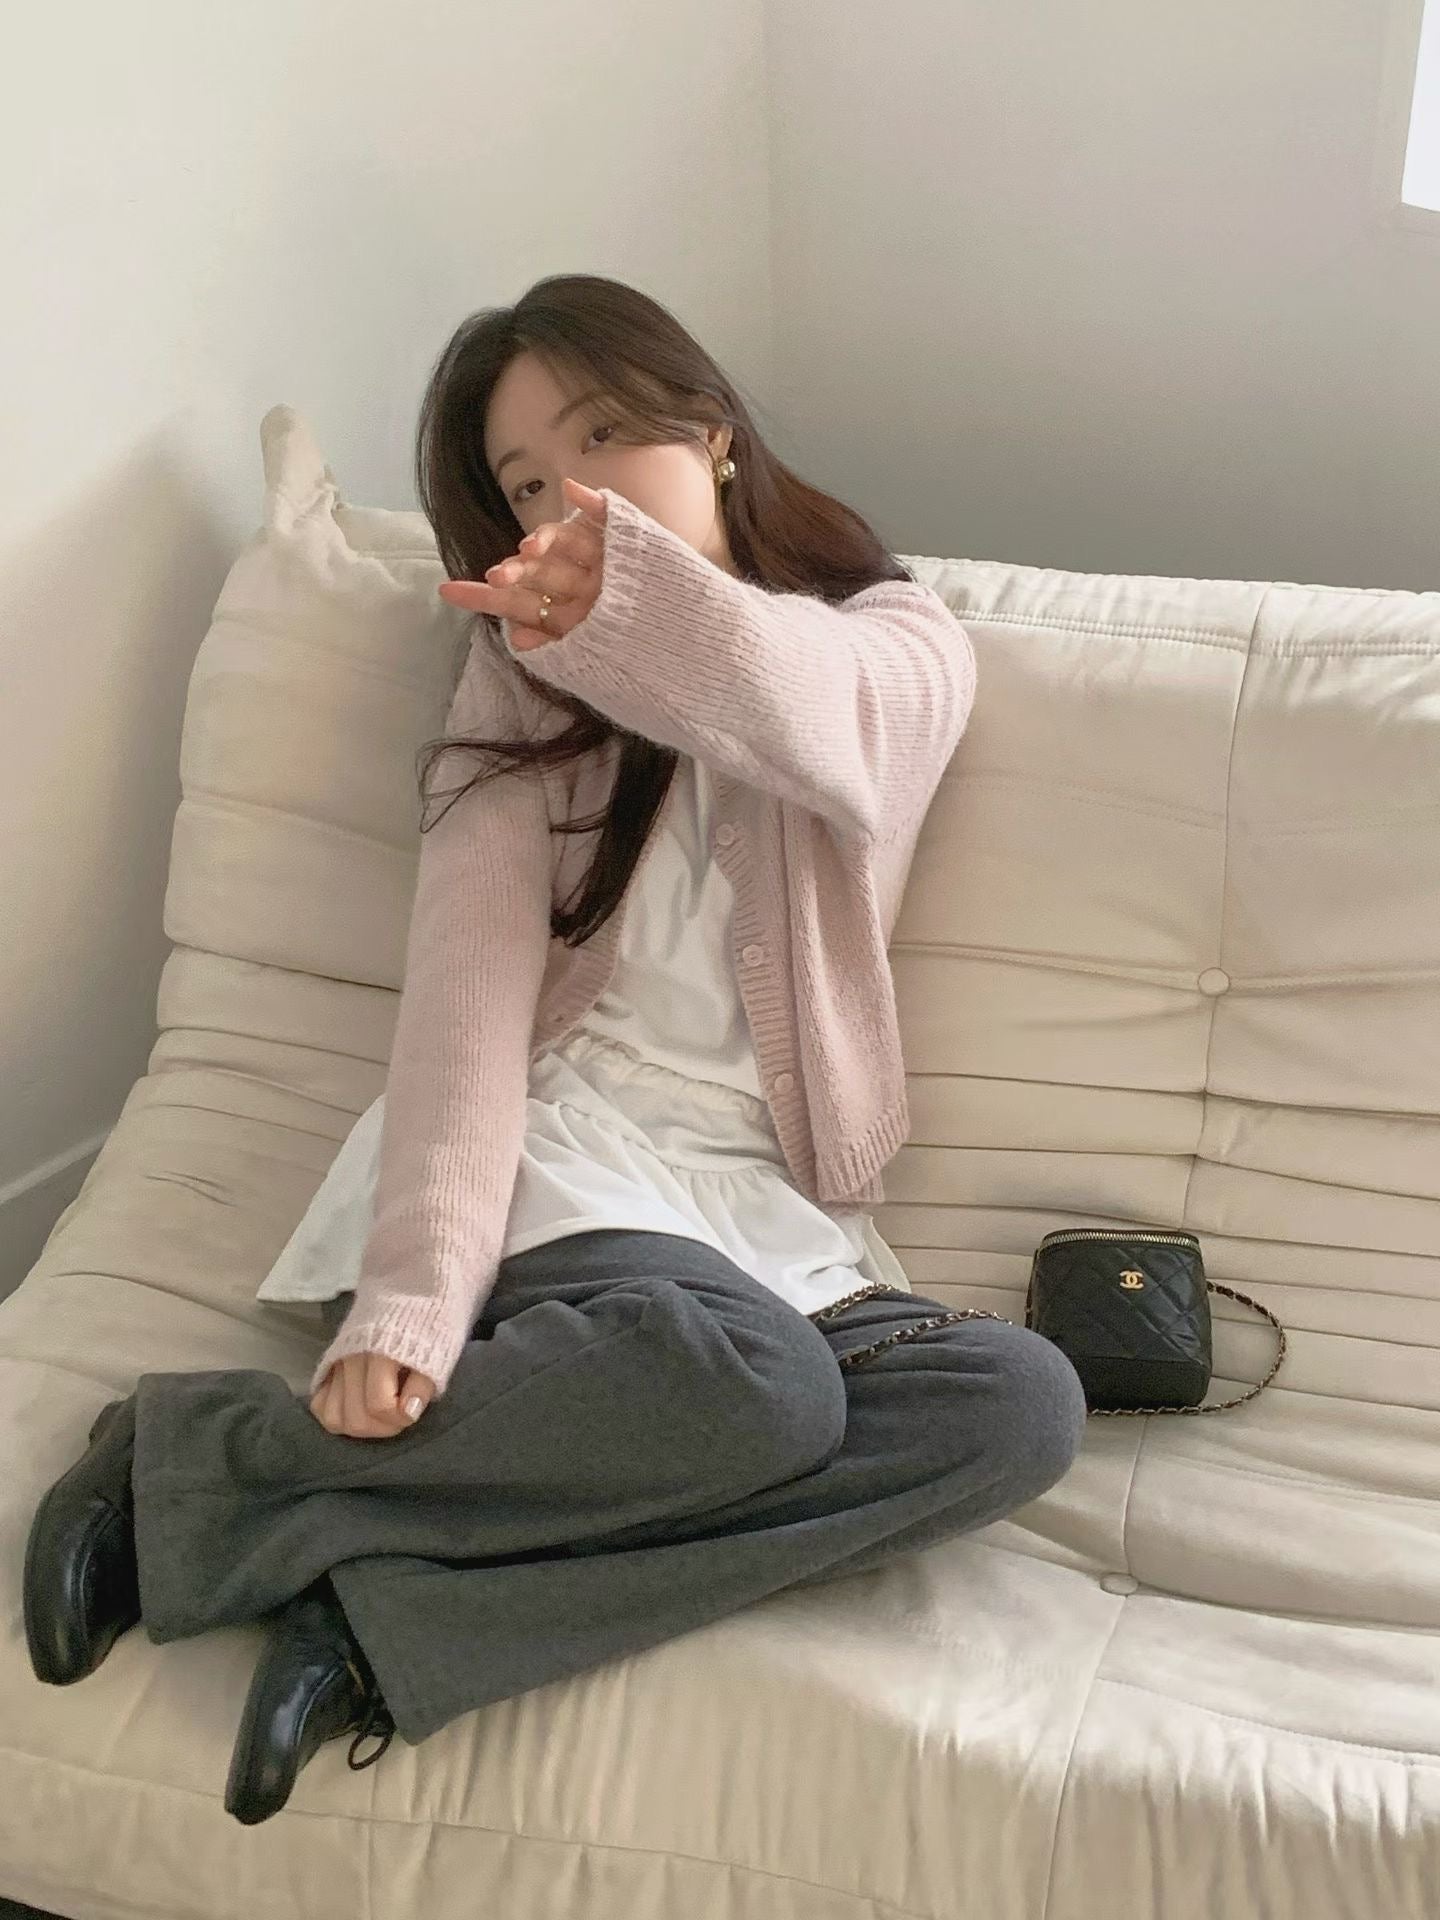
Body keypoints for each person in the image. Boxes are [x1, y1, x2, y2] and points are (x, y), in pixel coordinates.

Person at [25, 272, 1087, 1828]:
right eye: (526, 483)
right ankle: (212, 1467)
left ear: (712, 432)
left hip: (755, 1207)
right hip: (557, 1154)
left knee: (1016, 1406)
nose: (570, 497)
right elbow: (461, 1013)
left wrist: (636, 606)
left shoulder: (899, 639)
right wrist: (412, 1292)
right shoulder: (513, 686)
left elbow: (821, 715)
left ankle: (372, 1599)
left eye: (600, 437)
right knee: (761, 1390)